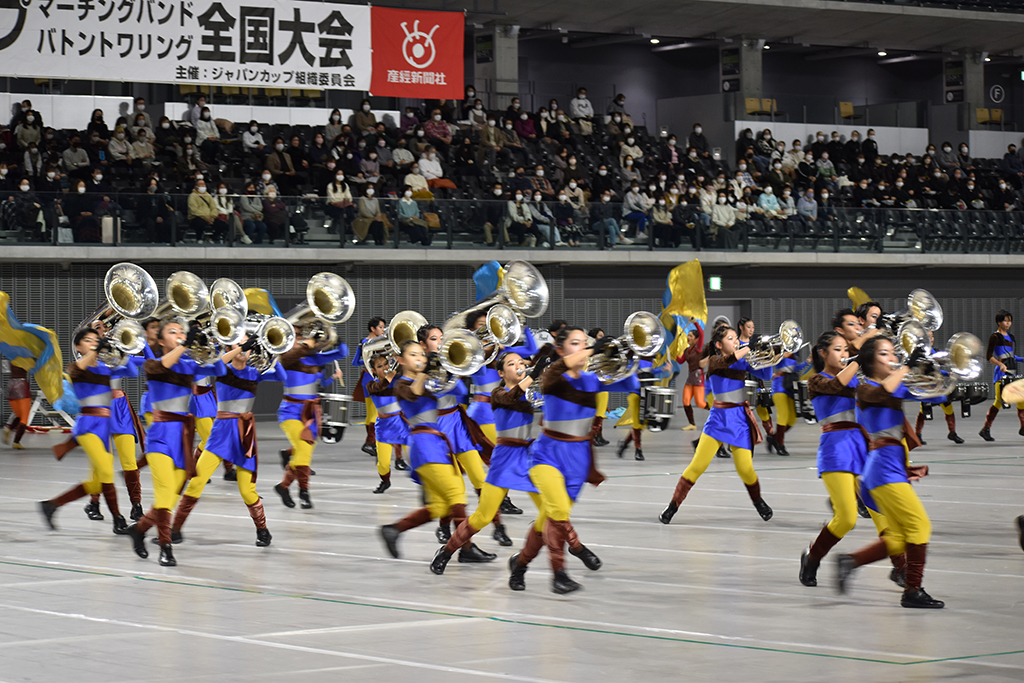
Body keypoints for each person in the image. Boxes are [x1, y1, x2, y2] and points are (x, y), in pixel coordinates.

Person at [836, 335, 943, 608]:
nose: (893, 358)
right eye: (885, 354)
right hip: (884, 469)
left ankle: (851, 561)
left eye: (894, 353)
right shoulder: (865, 388)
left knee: (897, 536)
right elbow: (882, 392)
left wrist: (932, 371)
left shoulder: (894, 386)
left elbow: (937, 392)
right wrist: (908, 366)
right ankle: (912, 591)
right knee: (920, 527)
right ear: (870, 361)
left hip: (885, 470)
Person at [125, 320, 238, 567]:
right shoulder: (152, 364)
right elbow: (165, 365)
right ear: (161, 341)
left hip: (182, 442)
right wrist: (187, 343)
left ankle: (140, 529)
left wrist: (222, 347)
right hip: (160, 439)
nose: (178, 334)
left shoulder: (190, 367)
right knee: (165, 494)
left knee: (170, 497)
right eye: (172, 332)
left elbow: (218, 369)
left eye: (181, 331)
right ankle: (165, 547)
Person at [379, 340, 495, 563]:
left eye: (422, 355)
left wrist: (449, 369)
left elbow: (459, 390)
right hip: (424, 444)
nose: (420, 358)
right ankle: (466, 547)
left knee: (440, 506)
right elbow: (413, 392)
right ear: (401, 360)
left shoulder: (429, 381)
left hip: (436, 444)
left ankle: (394, 530)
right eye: (414, 355)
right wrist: (428, 370)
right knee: (456, 495)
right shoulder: (401, 384)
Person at [660, 324, 774, 525]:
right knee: (697, 466)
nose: (736, 341)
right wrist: (748, 347)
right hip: (718, 420)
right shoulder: (714, 361)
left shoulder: (743, 359)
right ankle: (672, 506)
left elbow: (767, 375)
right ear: (719, 345)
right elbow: (728, 361)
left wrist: (768, 355)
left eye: (735, 338)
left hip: (739, 420)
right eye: (731, 339)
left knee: (746, 469)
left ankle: (758, 501)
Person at [40, 328, 140, 534]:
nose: (93, 343)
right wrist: (98, 350)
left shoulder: (106, 368)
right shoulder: (77, 368)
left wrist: (120, 350)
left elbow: (132, 372)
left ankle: (51, 505)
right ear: (78, 347)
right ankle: (118, 519)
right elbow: (76, 369)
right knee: (105, 471)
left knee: (95, 483)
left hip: (104, 425)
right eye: (87, 340)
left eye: (96, 340)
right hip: (88, 427)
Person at [273, 333, 348, 510]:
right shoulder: (287, 357)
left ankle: (283, 486)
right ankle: (303, 492)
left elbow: (343, 352)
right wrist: (309, 342)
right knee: (304, 448)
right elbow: (296, 353)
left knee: (303, 452)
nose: (303, 340)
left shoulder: (317, 359)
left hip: (312, 412)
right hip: (290, 411)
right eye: (299, 337)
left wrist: (336, 337)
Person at [364, 352, 410, 494]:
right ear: (373, 370)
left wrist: (401, 358)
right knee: (383, 464)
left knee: (416, 458)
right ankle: (385, 481)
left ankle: (428, 485)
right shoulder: (371, 385)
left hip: (402, 424)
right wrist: (390, 377)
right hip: (384, 427)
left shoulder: (397, 380)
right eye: (379, 366)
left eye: (386, 364)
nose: (384, 367)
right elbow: (381, 388)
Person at [980, 309, 1024, 442]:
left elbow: (1012, 356)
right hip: (1001, 374)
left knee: (1022, 399)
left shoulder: (1011, 337)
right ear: (999, 322)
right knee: (999, 401)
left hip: (1013, 372)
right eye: (1005, 320)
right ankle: (985, 429)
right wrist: (1000, 365)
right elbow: (989, 356)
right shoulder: (995, 337)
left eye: (1009, 320)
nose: (1008, 323)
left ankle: (1023, 427)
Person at [678, 320, 706, 430]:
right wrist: (673, 354)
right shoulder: (687, 351)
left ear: (696, 339)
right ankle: (692, 424)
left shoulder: (698, 348)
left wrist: (695, 323)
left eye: (690, 336)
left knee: (700, 403)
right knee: (685, 401)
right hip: (690, 378)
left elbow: (702, 333)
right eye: (688, 335)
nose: (688, 337)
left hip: (698, 377)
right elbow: (680, 361)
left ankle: (717, 412)